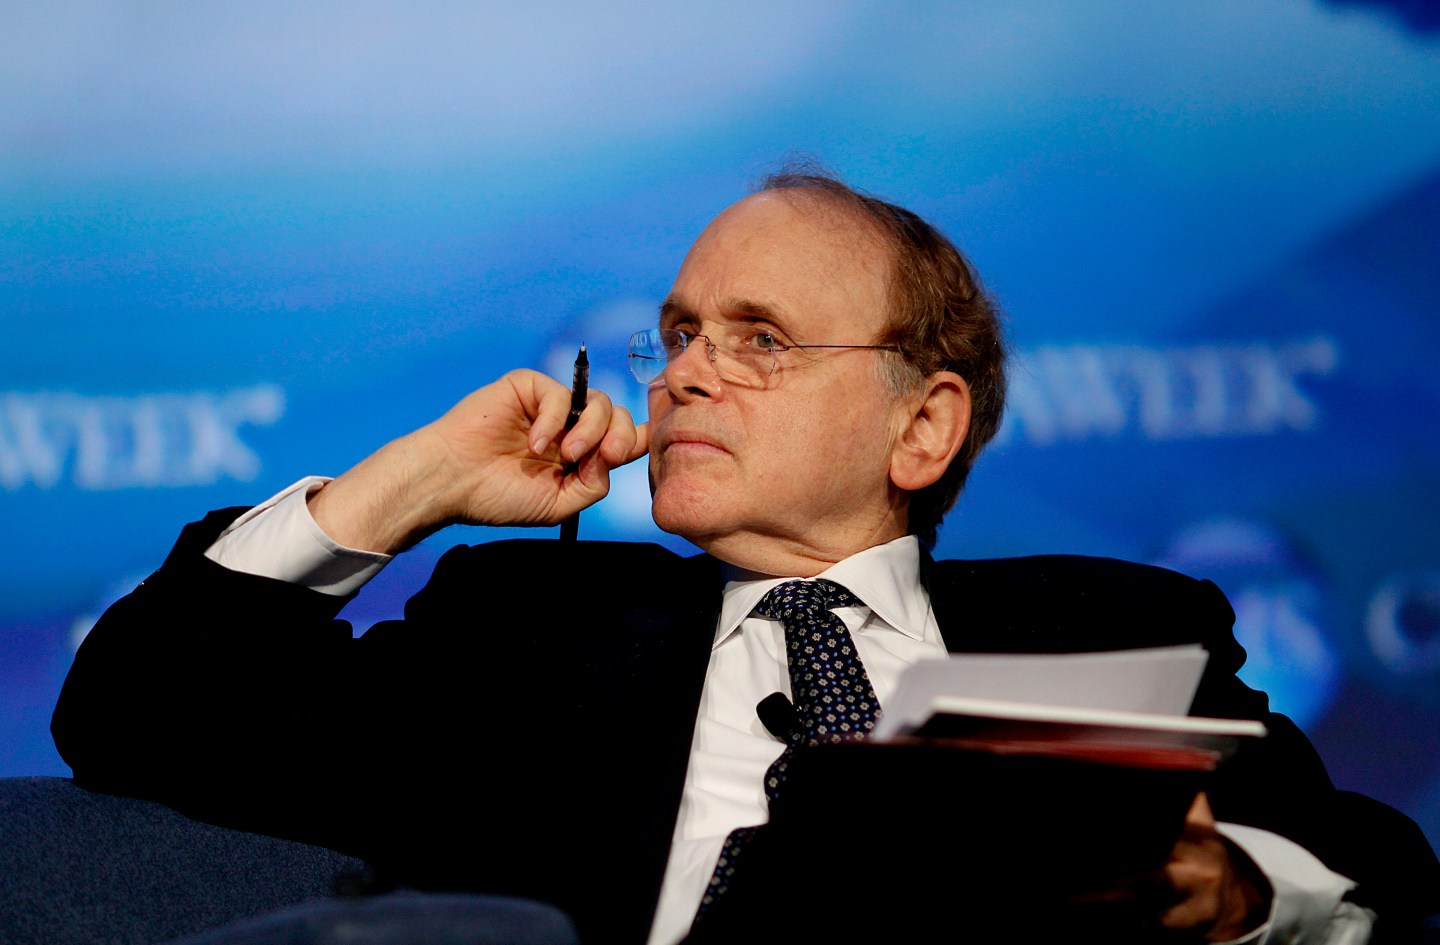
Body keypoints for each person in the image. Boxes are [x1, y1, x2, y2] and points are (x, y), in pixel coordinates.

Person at [53, 171, 1439, 945]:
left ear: (924, 424)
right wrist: (413, 484)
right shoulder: (530, 629)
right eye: (680, 332)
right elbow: (135, 711)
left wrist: (1239, 892)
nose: (688, 373)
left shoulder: (1114, 625)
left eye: (759, 339)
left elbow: (1380, 874)